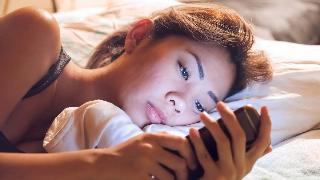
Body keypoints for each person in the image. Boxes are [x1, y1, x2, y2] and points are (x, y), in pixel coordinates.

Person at [0, 3, 273, 180]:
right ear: (139, 36)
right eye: (185, 71)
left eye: (200, 106)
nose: (178, 103)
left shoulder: (130, 166)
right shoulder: (35, 34)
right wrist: (98, 165)